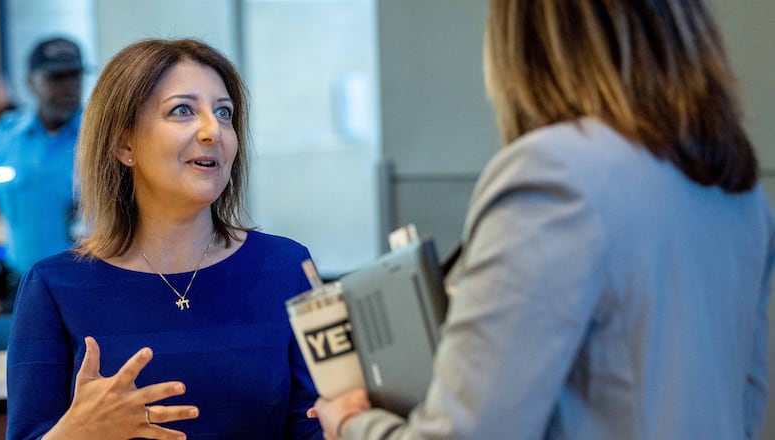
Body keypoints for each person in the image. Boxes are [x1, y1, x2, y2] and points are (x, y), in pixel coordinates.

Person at [314, 0, 775, 439]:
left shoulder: (554, 175)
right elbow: (748, 410)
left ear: (528, 37)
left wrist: (352, 425)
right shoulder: (738, 191)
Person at [6, 38, 323, 439]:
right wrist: (76, 432)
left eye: (223, 113)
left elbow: (315, 425)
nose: (213, 131)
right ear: (125, 144)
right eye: (182, 111)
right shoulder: (54, 288)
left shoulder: (288, 268)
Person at [0, 37, 84, 315]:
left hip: (92, 287)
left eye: (74, 76)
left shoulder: (106, 141)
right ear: (31, 82)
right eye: (56, 77)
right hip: (22, 289)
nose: (68, 87)